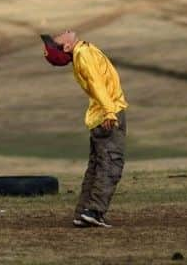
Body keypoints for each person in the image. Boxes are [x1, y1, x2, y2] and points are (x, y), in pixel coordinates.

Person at [41, 30, 128, 228]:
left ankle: (83, 213)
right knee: (111, 164)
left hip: (99, 114)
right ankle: (94, 211)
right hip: (108, 113)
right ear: (67, 47)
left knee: (97, 166)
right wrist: (109, 112)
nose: (62, 32)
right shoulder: (82, 54)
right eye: (59, 38)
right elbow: (97, 84)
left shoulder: (81, 52)